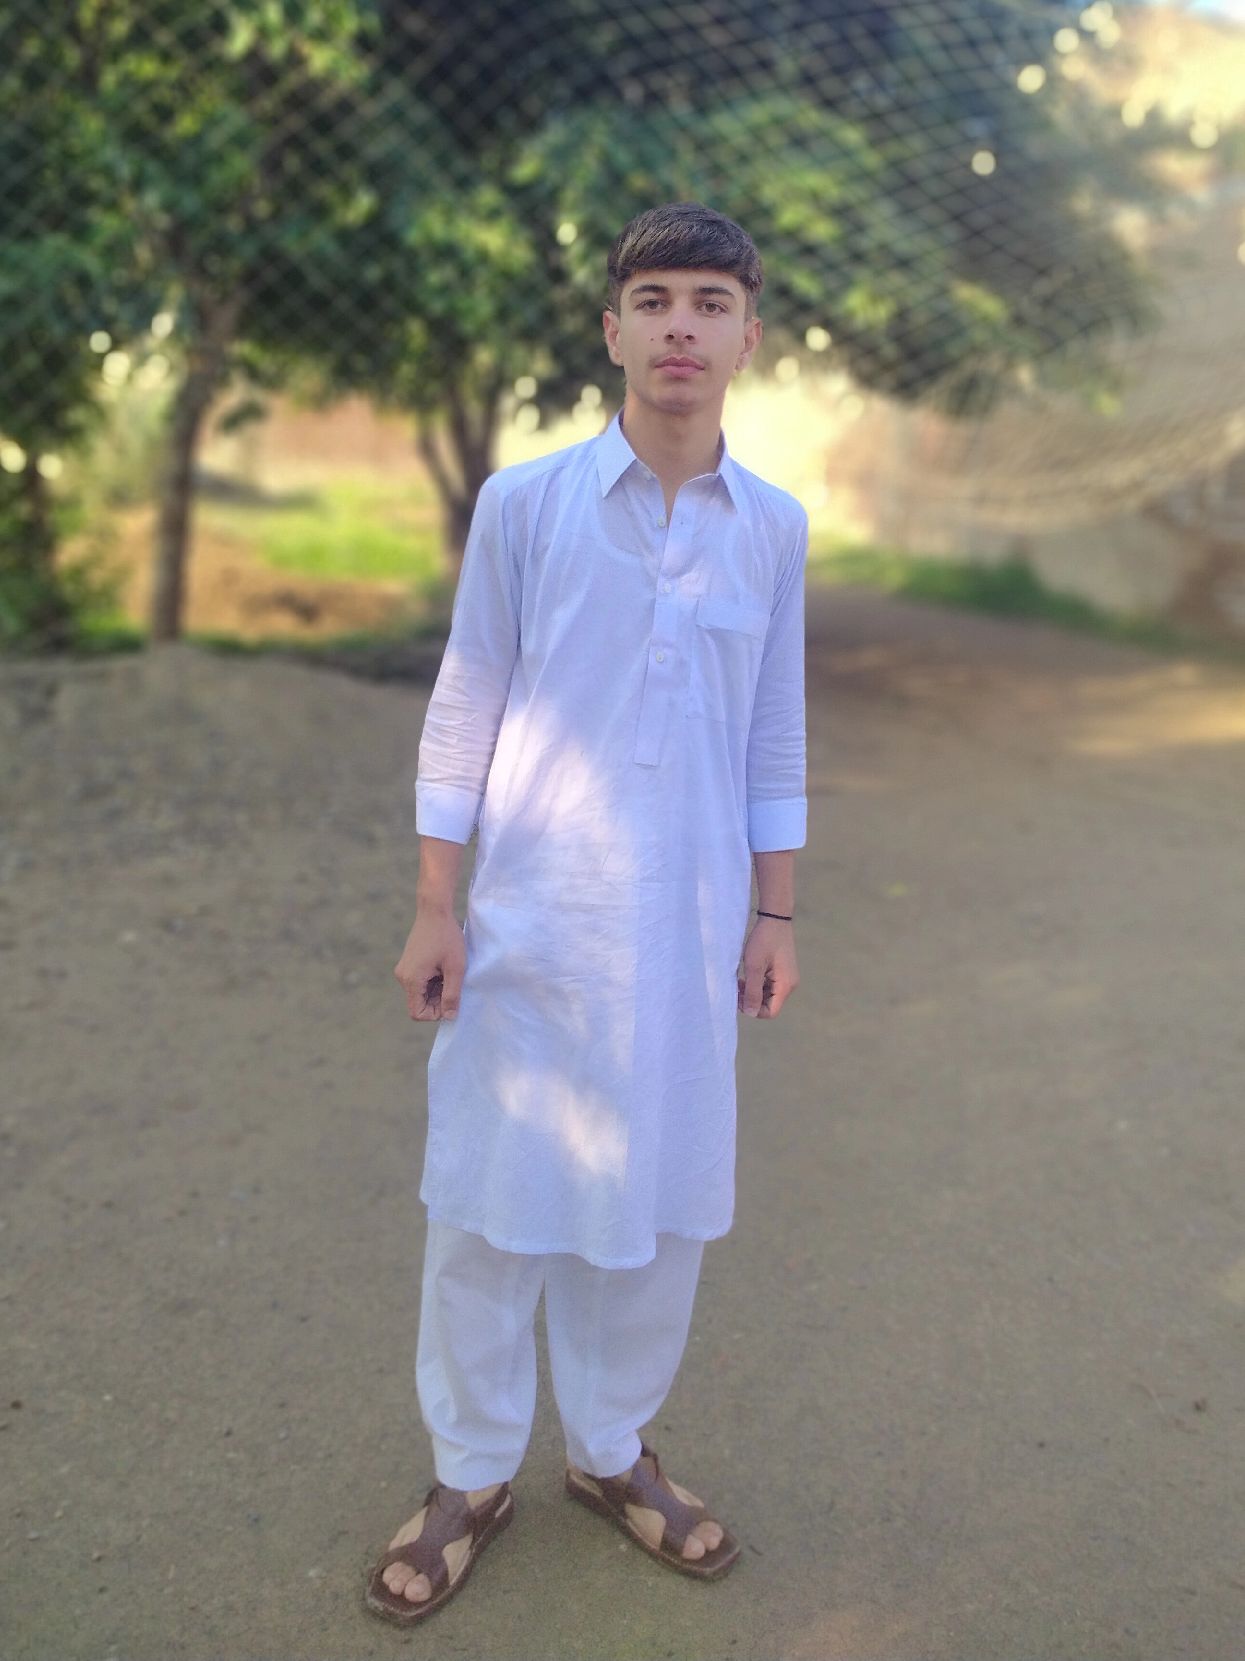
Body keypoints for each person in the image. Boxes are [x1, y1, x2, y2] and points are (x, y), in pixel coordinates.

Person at [365, 200, 808, 1625]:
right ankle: (470, 1473)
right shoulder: (526, 505)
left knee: (658, 1196)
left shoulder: (772, 529)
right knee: (490, 1203)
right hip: (529, 923)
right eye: (655, 299)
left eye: (710, 303)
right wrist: (437, 902)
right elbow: (466, 700)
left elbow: (773, 732)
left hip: (687, 932)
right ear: (612, 330)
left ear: (747, 338)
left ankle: (612, 1451)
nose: (682, 326)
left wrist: (774, 914)